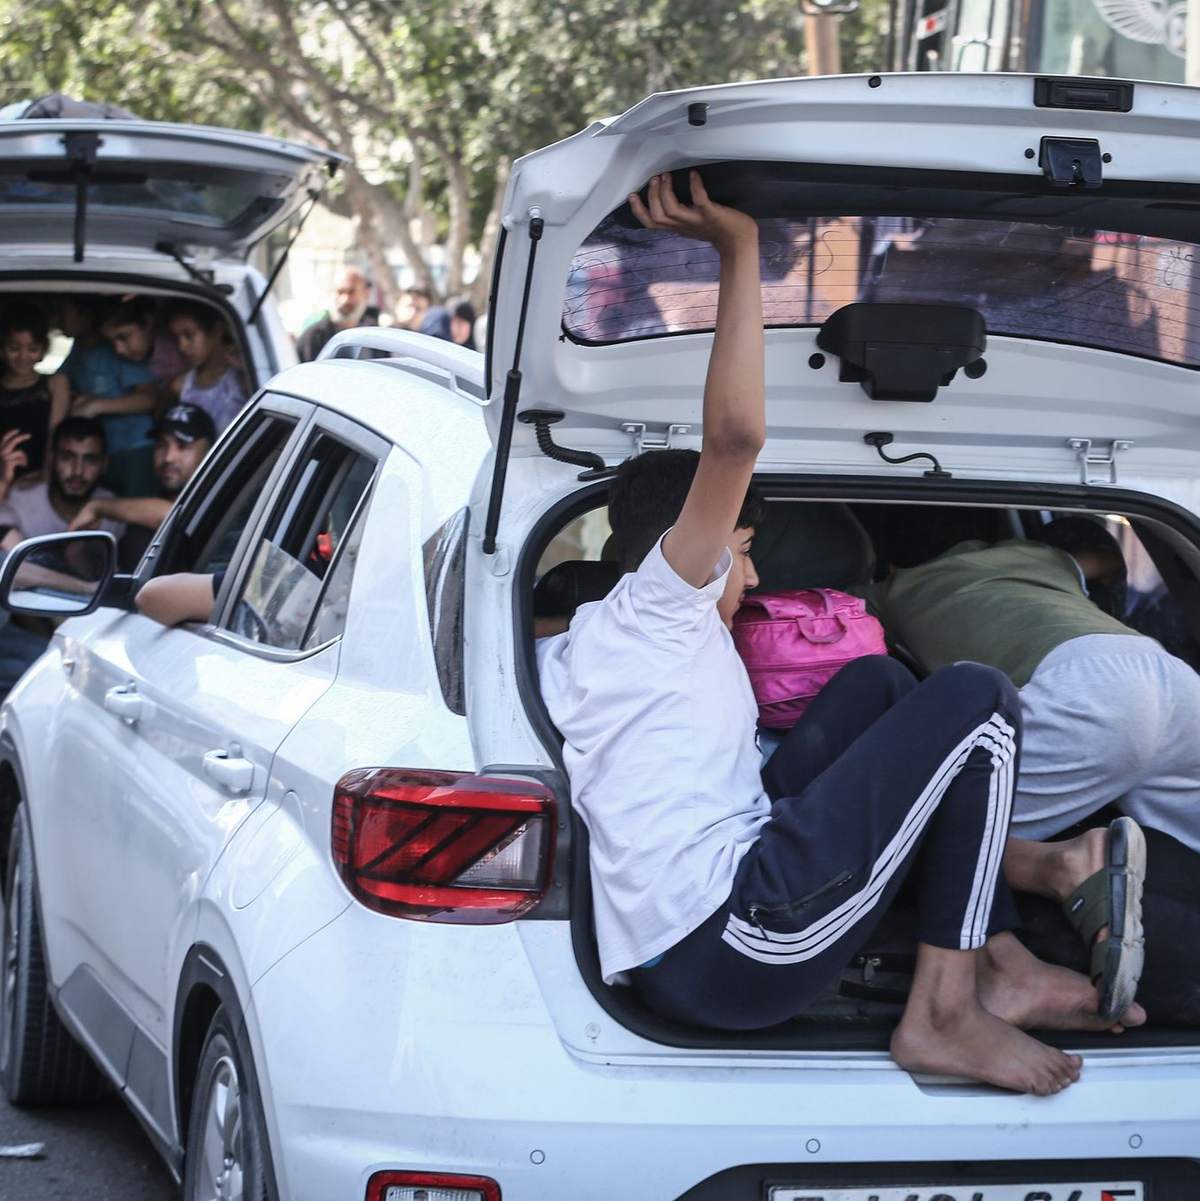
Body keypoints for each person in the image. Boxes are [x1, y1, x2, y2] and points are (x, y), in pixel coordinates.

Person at [536, 172, 1142, 1098]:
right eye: (744, 553)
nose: (752, 578)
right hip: (735, 947)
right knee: (979, 700)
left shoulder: (580, 641)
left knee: (879, 684)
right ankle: (943, 1012)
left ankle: (1002, 951)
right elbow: (734, 440)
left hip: (695, 947)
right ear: (687, 550)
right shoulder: (660, 605)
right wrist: (739, 248)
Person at [861, 520, 1200, 859]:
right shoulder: (1028, 555)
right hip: (1169, 675)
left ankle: (1058, 865)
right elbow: (1106, 560)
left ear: (890, 565)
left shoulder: (885, 596)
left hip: (1082, 693)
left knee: (903, 839)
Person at [69, 403, 215, 571]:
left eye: (182, 446)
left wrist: (98, 507)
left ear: (208, 453)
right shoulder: (142, 515)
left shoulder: (218, 500)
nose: (168, 457)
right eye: (161, 445)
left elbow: (175, 518)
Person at [60, 294, 159, 497]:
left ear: (86, 314)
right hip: (100, 454)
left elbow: (149, 397)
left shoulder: (117, 354)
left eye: (63, 312)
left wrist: (95, 406)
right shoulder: (79, 349)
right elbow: (61, 381)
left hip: (135, 448)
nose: (58, 319)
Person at [0, 417, 123, 539]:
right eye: (67, 458)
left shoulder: (113, 512)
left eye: (90, 460)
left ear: (104, 464)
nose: (78, 471)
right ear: (51, 458)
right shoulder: (18, 502)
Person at [0, 306, 70, 481]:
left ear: (43, 349)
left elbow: (55, 435)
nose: (23, 357)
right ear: (2, 347)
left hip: (39, 476)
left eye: (32, 349)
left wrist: (45, 479)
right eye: (14, 348)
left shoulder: (55, 383)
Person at [165, 301, 246, 434]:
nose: (181, 347)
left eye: (189, 335)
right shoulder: (180, 386)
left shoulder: (241, 380)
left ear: (217, 330)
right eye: (176, 339)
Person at [95, 294, 187, 403]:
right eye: (111, 342)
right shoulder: (132, 361)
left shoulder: (181, 348)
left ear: (148, 321)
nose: (119, 350)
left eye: (123, 337)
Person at [296, 266, 379, 362]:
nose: (345, 300)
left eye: (351, 292)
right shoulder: (314, 337)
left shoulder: (374, 334)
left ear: (366, 293)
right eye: (340, 292)